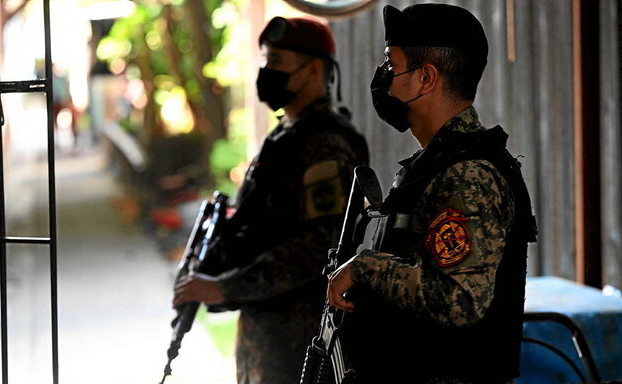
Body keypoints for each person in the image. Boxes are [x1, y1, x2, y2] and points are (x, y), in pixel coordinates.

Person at [326, 4, 537, 384]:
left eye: (391, 65)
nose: (384, 79)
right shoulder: (434, 165)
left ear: (426, 79)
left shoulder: (467, 175)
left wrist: (365, 268)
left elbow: (461, 299)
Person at [172, 16, 369, 384]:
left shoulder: (325, 145)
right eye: (265, 62)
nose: (266, 72)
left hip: (302, 344)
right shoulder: (286, 137)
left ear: (313, 70)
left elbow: (320, 246)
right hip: (267, 336)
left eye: (277, 62)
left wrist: (224, 287)